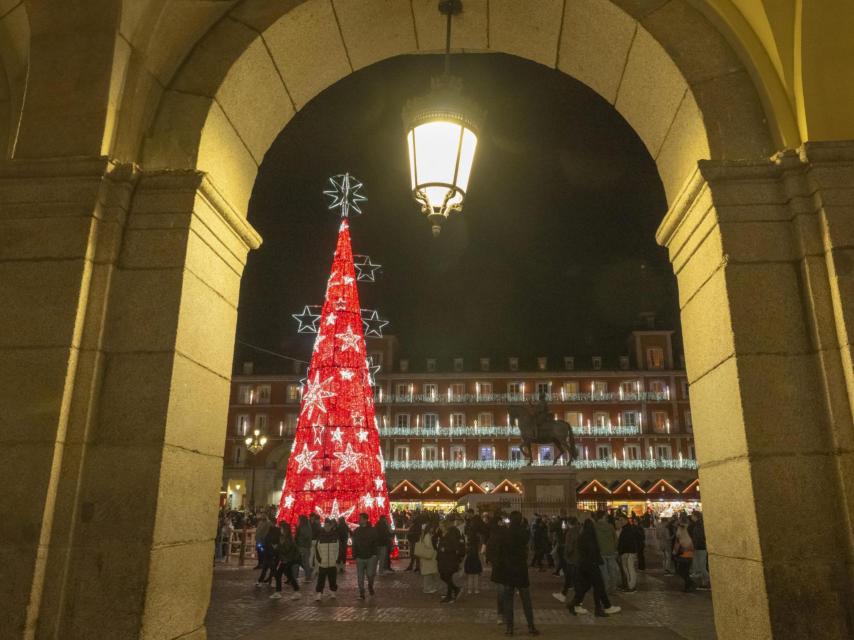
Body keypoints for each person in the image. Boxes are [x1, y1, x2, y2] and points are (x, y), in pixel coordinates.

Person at [567, 519, 621, 617]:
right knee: (598, 586)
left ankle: (573, 604)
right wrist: (597, 560)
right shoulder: (590, 537)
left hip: (583, 565)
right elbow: (592, 551)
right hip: (591, 565)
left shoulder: (582, 536)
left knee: (586, 586)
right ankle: (600, 608)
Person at [500, 511, 539, 636]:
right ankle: (531, 626)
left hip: (508, 570)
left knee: (508, 600)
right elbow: (527, 543)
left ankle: (509, 628)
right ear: (521, 520)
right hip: (521, 570)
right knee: (526, 600)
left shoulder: (505, 532)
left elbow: (501, 550)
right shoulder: (524, 532)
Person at [270, 522, 302, 600]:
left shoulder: (288, 538)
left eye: (281, 528)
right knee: (289, 575)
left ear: (285, 529)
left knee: (279, 574)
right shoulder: (282, 537)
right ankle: (296, 591)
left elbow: (286, 550)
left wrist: (276, 547)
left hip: (288, 559)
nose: (280, 530)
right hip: (285, 559)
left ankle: (279, 592)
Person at [351, 513, 378, 599]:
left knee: (370, 575)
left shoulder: (372, 530)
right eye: (359, 518)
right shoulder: (356, 531)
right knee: (360, 577)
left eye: (361, 519)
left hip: (370, 556)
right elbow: (354, 544)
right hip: (360, 557)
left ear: (366, 520)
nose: (359, 520)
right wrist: (354, 554)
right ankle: (362, 592)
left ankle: (370, 585)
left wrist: (374, 554)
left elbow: (375, 543)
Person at [436, 517, 464, 603]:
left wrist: (445, 549)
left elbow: (455, 546)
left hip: (449, 559)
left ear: (445, 525)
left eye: (441, 525)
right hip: (443, 559)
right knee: (443, 575)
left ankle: (449, 595)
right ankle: (455, 589)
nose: (440, 527)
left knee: (448, 576)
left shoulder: (451, 533)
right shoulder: (442, 533)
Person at [487, 513, 508, 625]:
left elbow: (489, 552)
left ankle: (501, 614)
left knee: (501, 592)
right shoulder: (505, 533)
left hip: (498, 566)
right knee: (506, 592)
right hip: (506, 565)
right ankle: (506, 614)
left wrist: (491, 560)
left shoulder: (493, 534)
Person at [552, 516, 579, 603]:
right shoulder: (580, 531)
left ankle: (567, 595)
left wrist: (566, 555)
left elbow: (569, 547)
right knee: (572, 577)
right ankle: (566, 594)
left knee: (570, 576)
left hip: (571, 558)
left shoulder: (570, 533)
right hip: (578, 557)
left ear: (568, 523)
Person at [593, 510, 619, 594]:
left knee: (604, 572)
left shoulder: (595, 526)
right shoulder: (610, 526)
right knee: (613, 571)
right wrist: (614, 548)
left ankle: (606, 588)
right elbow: (615, 538)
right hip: (611, 551)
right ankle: (614, 588)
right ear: (604, 516)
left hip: (601, 552)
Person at [314, 518, 340, 601]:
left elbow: (338, 549)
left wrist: (336, 559)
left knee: (332, 578)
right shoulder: (320, 536)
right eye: (325, 526)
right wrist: (319, 559)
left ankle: (332, 591)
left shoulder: (335, 536)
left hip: (332, 562)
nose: (326, 527)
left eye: (328, 526)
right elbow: (317, 549)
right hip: (323, 562)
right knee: (321, 579)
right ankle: (319, 593)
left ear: (331, 526)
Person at [617, 516, 642, 592]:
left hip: (628, 552)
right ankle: (629, 585)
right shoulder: (627, 528)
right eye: (619, 520)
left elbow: (625, 542)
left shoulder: (627, 529)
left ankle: (631, 586)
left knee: (629, 569)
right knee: (628, 569)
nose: (620, 522)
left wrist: (620, 551)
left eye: (621, 520)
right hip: (628, 551)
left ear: (625, 520)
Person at [416, 521, 440, 593]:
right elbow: (429, 546)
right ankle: (427, 588)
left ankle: (429, 587)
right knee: (428, 573)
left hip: (426, 557)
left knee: (428, 573)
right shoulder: (427, 536)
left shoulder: (425, 535)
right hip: (429, 556)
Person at [256, 517, 281, 587]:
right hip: (272, 552)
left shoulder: (272, 530)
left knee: (269, 568)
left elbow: (266, 539)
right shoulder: (275, 530)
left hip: (270, 552)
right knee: (269, 568)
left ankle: (263, 581)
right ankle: (266, 581)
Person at [673, 513, 695, 592]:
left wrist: (675, 551)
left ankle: (690, 583)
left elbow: (678, 540)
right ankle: (688, 585)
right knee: (685, 569)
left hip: (683, 549)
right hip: (689, 548)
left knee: (682, 570)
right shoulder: (689, 526)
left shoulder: (681, 527)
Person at [688, 511, 710, 590]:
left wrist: (695, 545)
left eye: (692, 516)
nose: (691, 517)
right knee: (701, 566)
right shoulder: (698, 524)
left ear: (695, 516)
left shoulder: (699, 525)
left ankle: (708, 582)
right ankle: (704, 583)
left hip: (700, 547)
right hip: (700, 547)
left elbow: (699, 537)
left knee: (702, 566)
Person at [464, 517, 483, 594]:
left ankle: (469, 589)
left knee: (470, 576)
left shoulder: (469, 532)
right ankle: (476, 589)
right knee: (475, 575)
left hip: (470, 557)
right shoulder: (477, 534)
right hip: (475, 556)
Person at [295, 515, 315, 582]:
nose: (298, 521)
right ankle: (308, 575)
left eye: (299, 520)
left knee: (297, 562)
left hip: (302, 547)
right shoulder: (308, 526)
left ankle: (295, 576)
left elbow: (300, 538)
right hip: (306, 547)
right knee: (305, 562)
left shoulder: (302, 527)